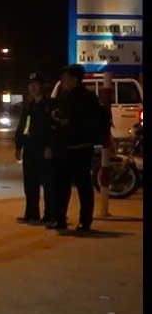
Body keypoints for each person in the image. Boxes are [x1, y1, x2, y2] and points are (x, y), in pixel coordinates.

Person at [49, 63, 101, 232]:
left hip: (81, 147)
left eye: (65, 78)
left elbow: (89, 121)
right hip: (64, 147)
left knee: (83, 186)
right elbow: (56, 115)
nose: (63, 81)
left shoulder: (88, 97)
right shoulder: (63, 95)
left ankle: (85, 222)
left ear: (75, 79)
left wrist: (69, 123)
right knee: (61, 185)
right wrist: (55, 117)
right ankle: (60, 219)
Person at [14, 72, 55, 224]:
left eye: (36, 84)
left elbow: (53, 128)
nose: (33, 87)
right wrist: (18, 146)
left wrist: (50, 146)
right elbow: (22, 127)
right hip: (29, 150)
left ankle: (50, 215)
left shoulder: (49, 105)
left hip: (43, 150)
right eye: (30, 85)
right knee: (30, 184)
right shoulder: (28, 106)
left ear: (41, 86)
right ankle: (31, 213)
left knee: (47, 184)